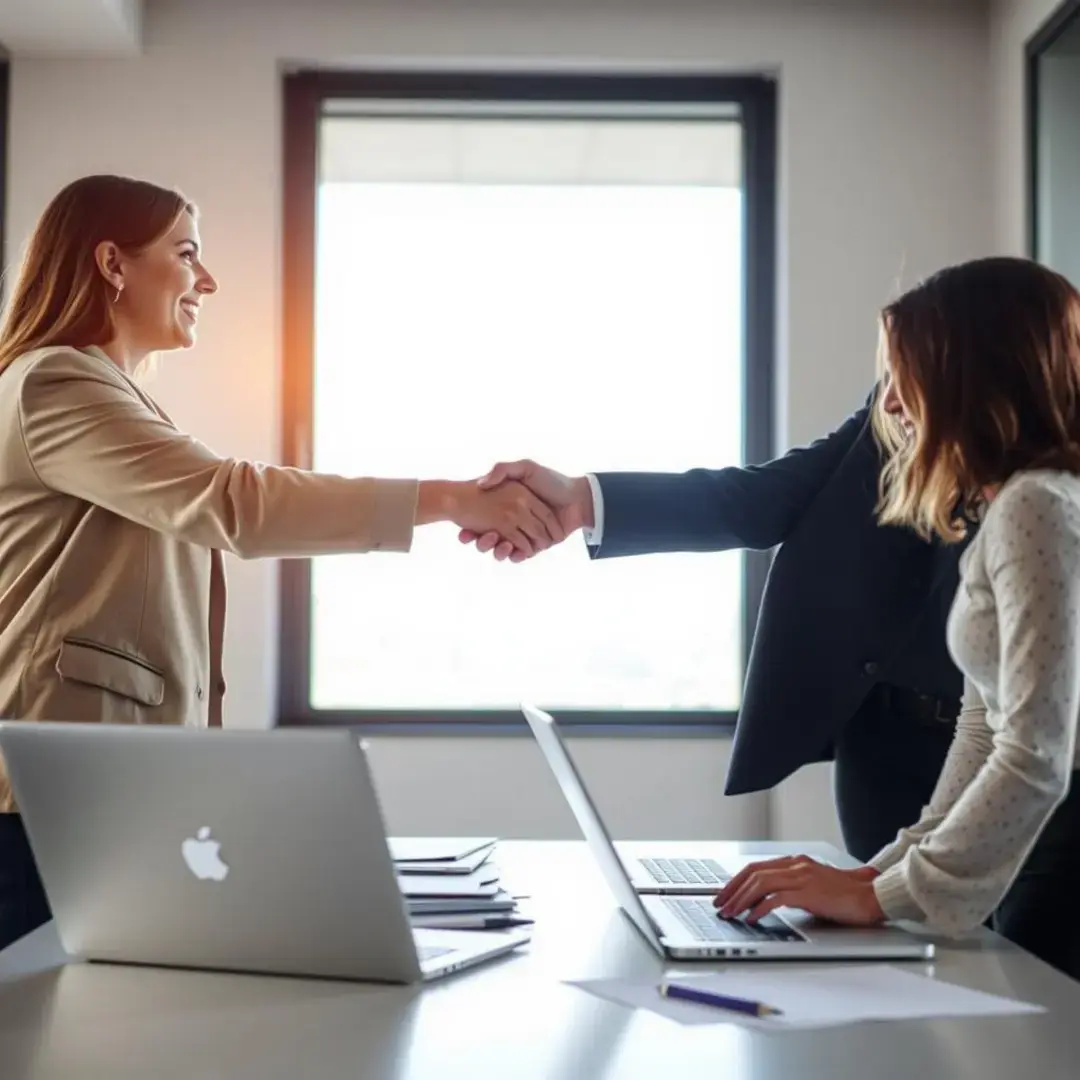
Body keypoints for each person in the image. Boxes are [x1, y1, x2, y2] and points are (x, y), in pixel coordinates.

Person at [0, 174, 562, 953]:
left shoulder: (105, 394)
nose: (207, 280)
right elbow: (234, 503)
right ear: (112, 263)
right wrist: (452, 499)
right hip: (42, 798)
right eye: (186, 253)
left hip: (97, 789)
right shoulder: (57, 384)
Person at [712, 256, 1080, 981]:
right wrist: (878, 875)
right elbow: (984, 722)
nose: (890, 407)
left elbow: (1037, 748)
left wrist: (887, 896)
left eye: (907, 377)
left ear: (974, 379)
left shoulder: (1038, 508)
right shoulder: (1006, 504)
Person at [460, 408, 970, 867]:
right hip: (885, 742)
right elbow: (763, 498)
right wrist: (580, 500)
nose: (894, 398)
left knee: (1026, 957)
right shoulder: (899, 400)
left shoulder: (1039, 473)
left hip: (1008, 738)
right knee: (901, 950)